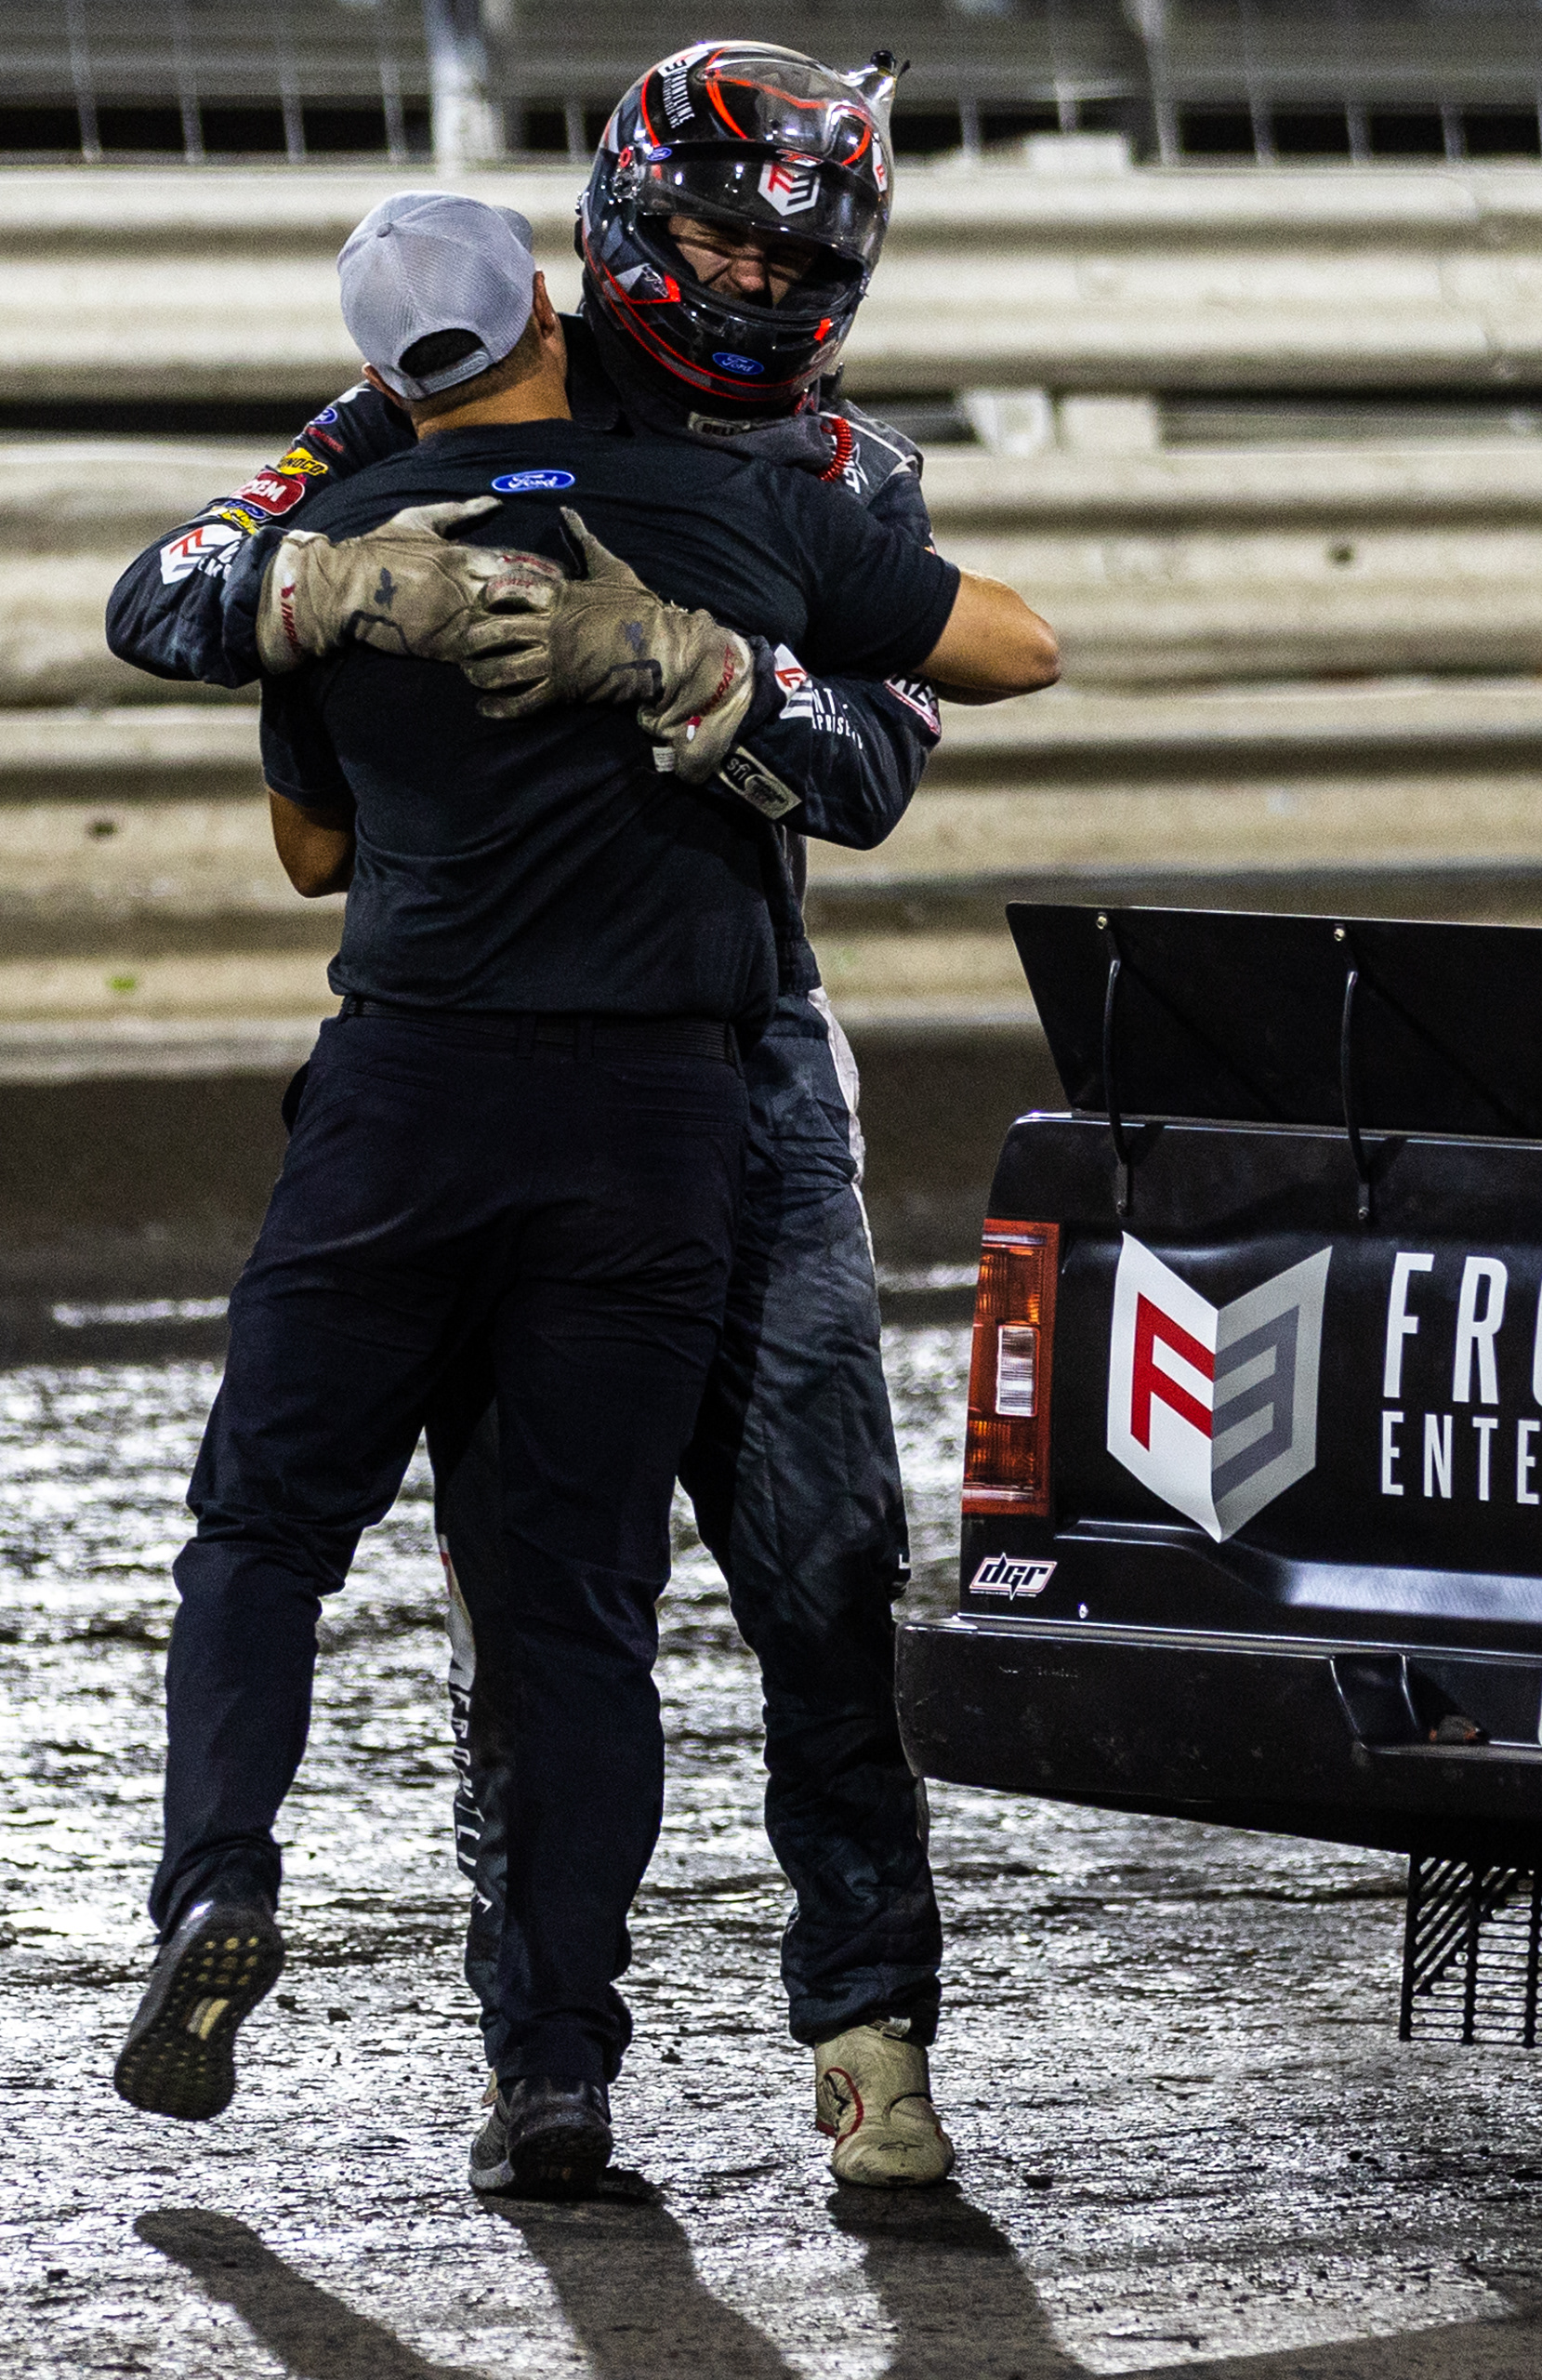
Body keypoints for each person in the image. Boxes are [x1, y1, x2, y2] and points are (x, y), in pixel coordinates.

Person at [99, 42, 1048, 2189]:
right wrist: (330, 590)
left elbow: (886, 771)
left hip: (724, 1051)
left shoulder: (848, 471)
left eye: (789, 244)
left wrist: (703, 671)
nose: (744, 270)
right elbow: (197, 569)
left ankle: (871, 2030)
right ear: (614, 226)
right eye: (714, 229)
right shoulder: (453, 392)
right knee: (542, 1579)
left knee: (820, 1561)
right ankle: (543, 2058)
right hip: (608, 1066)